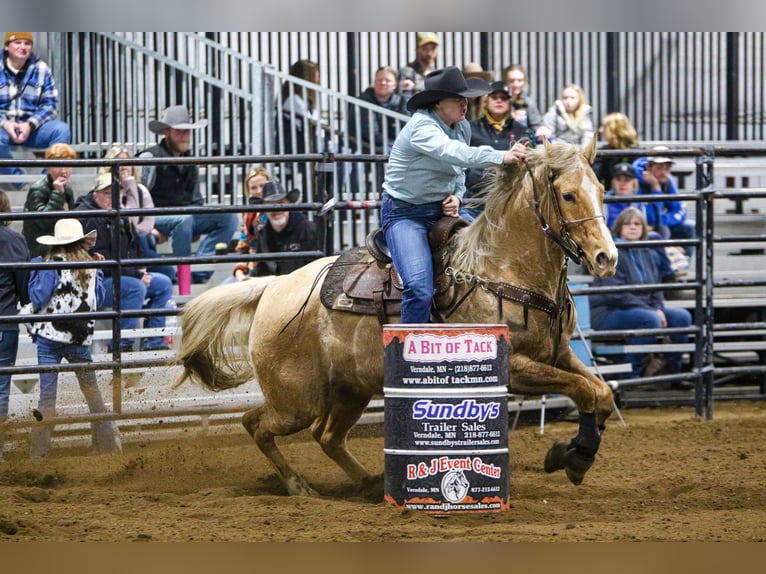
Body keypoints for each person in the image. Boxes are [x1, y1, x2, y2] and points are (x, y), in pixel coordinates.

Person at [382, 66, 528, 324]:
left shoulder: (460, 127)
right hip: (405, 215)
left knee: (493, 261)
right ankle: (407, 355)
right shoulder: (421, 127)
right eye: (458, 99)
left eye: (467, 98)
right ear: (438, 103)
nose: (466, 103)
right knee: (418, 287)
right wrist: (501, 156)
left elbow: (458, 171)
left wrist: (458, 196)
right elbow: (454, 153)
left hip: (442, 211)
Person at [27, 218, 122, 458]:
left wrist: (36, 272)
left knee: (47, 397)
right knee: (93, 394)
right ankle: (109, 447)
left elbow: (38, 297)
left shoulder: (50, 263)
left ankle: (40, 454)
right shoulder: (91, 265)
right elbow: (98, 300)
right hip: (79, 338)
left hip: (50, 337)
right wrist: (99, 273)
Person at [589, 207, 692, 381]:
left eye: (637, 224)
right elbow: (615, 294)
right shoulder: (610, 252)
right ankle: (631, 376)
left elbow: (656, 287)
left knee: (682, 317)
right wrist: (652, 311)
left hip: (643, 309)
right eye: (628, 224)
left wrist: (658, 307)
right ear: (619, 227)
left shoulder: (649, 251)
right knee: (650, 320)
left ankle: (675, 373)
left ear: (644, 228)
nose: (633, 227)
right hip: (607, 310)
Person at [139, 105, 238, 284]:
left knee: (228, 218)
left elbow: (195, 200)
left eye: (188, 132)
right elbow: (136, 197)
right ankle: (184, 277)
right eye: (179, 131)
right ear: (166, 132)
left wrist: (194, 221)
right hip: (154, 217)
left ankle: (199, 271)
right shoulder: (150, 157)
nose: (185, 136)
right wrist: (148, 224)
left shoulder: (190, 160)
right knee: (183, 219)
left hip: (182, 216)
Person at [75, 174, 174, 352]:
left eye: (117, 193)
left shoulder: (119, 216)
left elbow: (132, 248)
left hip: (119, 274)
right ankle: (122, 344)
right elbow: (102, 261)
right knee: (136, 287)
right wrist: (136, 274)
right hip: (92, 283)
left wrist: (140, 268)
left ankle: (153, 341)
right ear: (95, 194)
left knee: (163, 283)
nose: (113, 197)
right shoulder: (88, 217)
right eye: (107, 193)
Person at [0, 32, 72, 183]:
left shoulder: (41, 68)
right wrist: (5, 124)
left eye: (27, 44)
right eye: (17, 43)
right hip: (3, 128)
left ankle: (45, 182)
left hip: (32, 129)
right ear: (7, 47)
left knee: (61, 131)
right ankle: (21, 183)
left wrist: (30, 124)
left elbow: (51, 104)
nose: (23, 47)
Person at [99, 146, 175, 282]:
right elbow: (128, 220)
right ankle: (140, 274)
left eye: (127, 162)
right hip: (120, 241)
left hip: (141, 240)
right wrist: (129, 185)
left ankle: (144, 274)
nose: (123, 166)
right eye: (118, 162)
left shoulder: (141, 189)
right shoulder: (107, 192)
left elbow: (148, 222)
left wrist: (132, 187)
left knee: (142, 238)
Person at [461, 81, 527, 221]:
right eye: (494, 97)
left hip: (509, 205)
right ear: (486, 100)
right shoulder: (470, 128)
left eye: (503, 97)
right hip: (473, 204)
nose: (499, 100)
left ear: (510, 102)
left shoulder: (522, 131)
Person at [230, 180, 317, 279]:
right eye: (270, 204)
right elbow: (260, 271)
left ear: (288, 204)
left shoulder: (307, 229)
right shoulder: (263, 234)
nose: (276, 209)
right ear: (264, 208)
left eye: (280, 203)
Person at [0, 190, 30, 462]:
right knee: (0, 387)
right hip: (4, 320)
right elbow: (23, 283)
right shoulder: (14, 240)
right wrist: (24, 300)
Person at [632, 146, 696, 249]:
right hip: (637, 226)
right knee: (662, 229)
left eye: (667, 168)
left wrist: (661, 220)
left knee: (690, 226)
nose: (664, 173)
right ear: (648, 167)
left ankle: (682, 264)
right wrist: (656, 187)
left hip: (658, 224)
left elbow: (680, 209)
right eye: (659, 168)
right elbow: (650, 217)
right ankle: (663, 263)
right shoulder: (634, 180)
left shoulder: (667, 180)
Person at [21, 143, 78, 258]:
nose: (63, 171)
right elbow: (43, 222)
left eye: (67, 165)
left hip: (62, 249)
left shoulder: (68, 190)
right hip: (39, 252)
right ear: (48, 167)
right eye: (58, 165)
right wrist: (57, 193)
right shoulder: (38, 189)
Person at [503, 64, 551, 141]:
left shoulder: (528, 103)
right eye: (512, 81)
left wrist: (541, 129)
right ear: (505, 82)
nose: (516, 84)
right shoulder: (499, 101)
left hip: (522, 141)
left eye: (520, 80)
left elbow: (536, 124)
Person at [592, 112, 639, 187]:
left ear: (615, 129)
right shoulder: (603, 152)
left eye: (604, 127)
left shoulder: (636, 152)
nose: (600, 130)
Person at [542, 83, 595, 148]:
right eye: (565, 98)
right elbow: (549, 136)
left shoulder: (585, 111)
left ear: (579, 99)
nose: (568, 101)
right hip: (559, 151)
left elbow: (588, 134)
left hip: (579, 151)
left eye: (572, 98)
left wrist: (584, 152)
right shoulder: (554, 112)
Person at [397, 33, 439, 101]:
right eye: (425, 49)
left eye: (433, 49)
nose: (429, 53)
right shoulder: (407, 72)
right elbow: (403, 99)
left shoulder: (437, 73)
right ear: (417, 49)